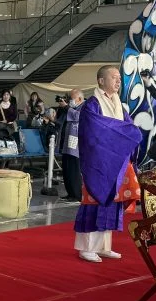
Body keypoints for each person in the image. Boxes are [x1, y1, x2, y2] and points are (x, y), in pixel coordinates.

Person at [74, 65, 141, 262]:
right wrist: (121, 134)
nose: (118, 81)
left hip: (116, 161)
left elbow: (126, 127)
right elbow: (96, 130)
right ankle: (86, 248)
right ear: (101, 81)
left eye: (119, 78)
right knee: (95, 201)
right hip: (98, 162)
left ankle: (104, 246)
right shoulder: (91, 105)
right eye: (114, 77)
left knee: (112, 201)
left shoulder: (119, 104)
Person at [60, 88, 83, 201]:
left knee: (74, 169)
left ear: (79, 98)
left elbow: (78, 117)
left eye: (72, 99)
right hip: (68, 142)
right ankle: (70, 192)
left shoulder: (84, 106)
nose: (70, 101)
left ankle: (77, 194)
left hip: (76, 145)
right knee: (66, 168)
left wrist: (66, 107)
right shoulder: (72, 107)